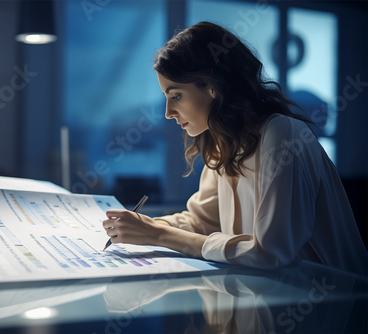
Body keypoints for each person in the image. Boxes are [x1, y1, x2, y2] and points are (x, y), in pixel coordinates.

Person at [103, 21, 367, 275]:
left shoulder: (281, 134)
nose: (168, 112)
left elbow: (270, 252)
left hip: (335, 303)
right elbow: (201, 223)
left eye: (176, 96)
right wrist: (141, 226)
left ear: (212, 87)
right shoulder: (222, 142)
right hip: (273, 299)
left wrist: (159, 234)